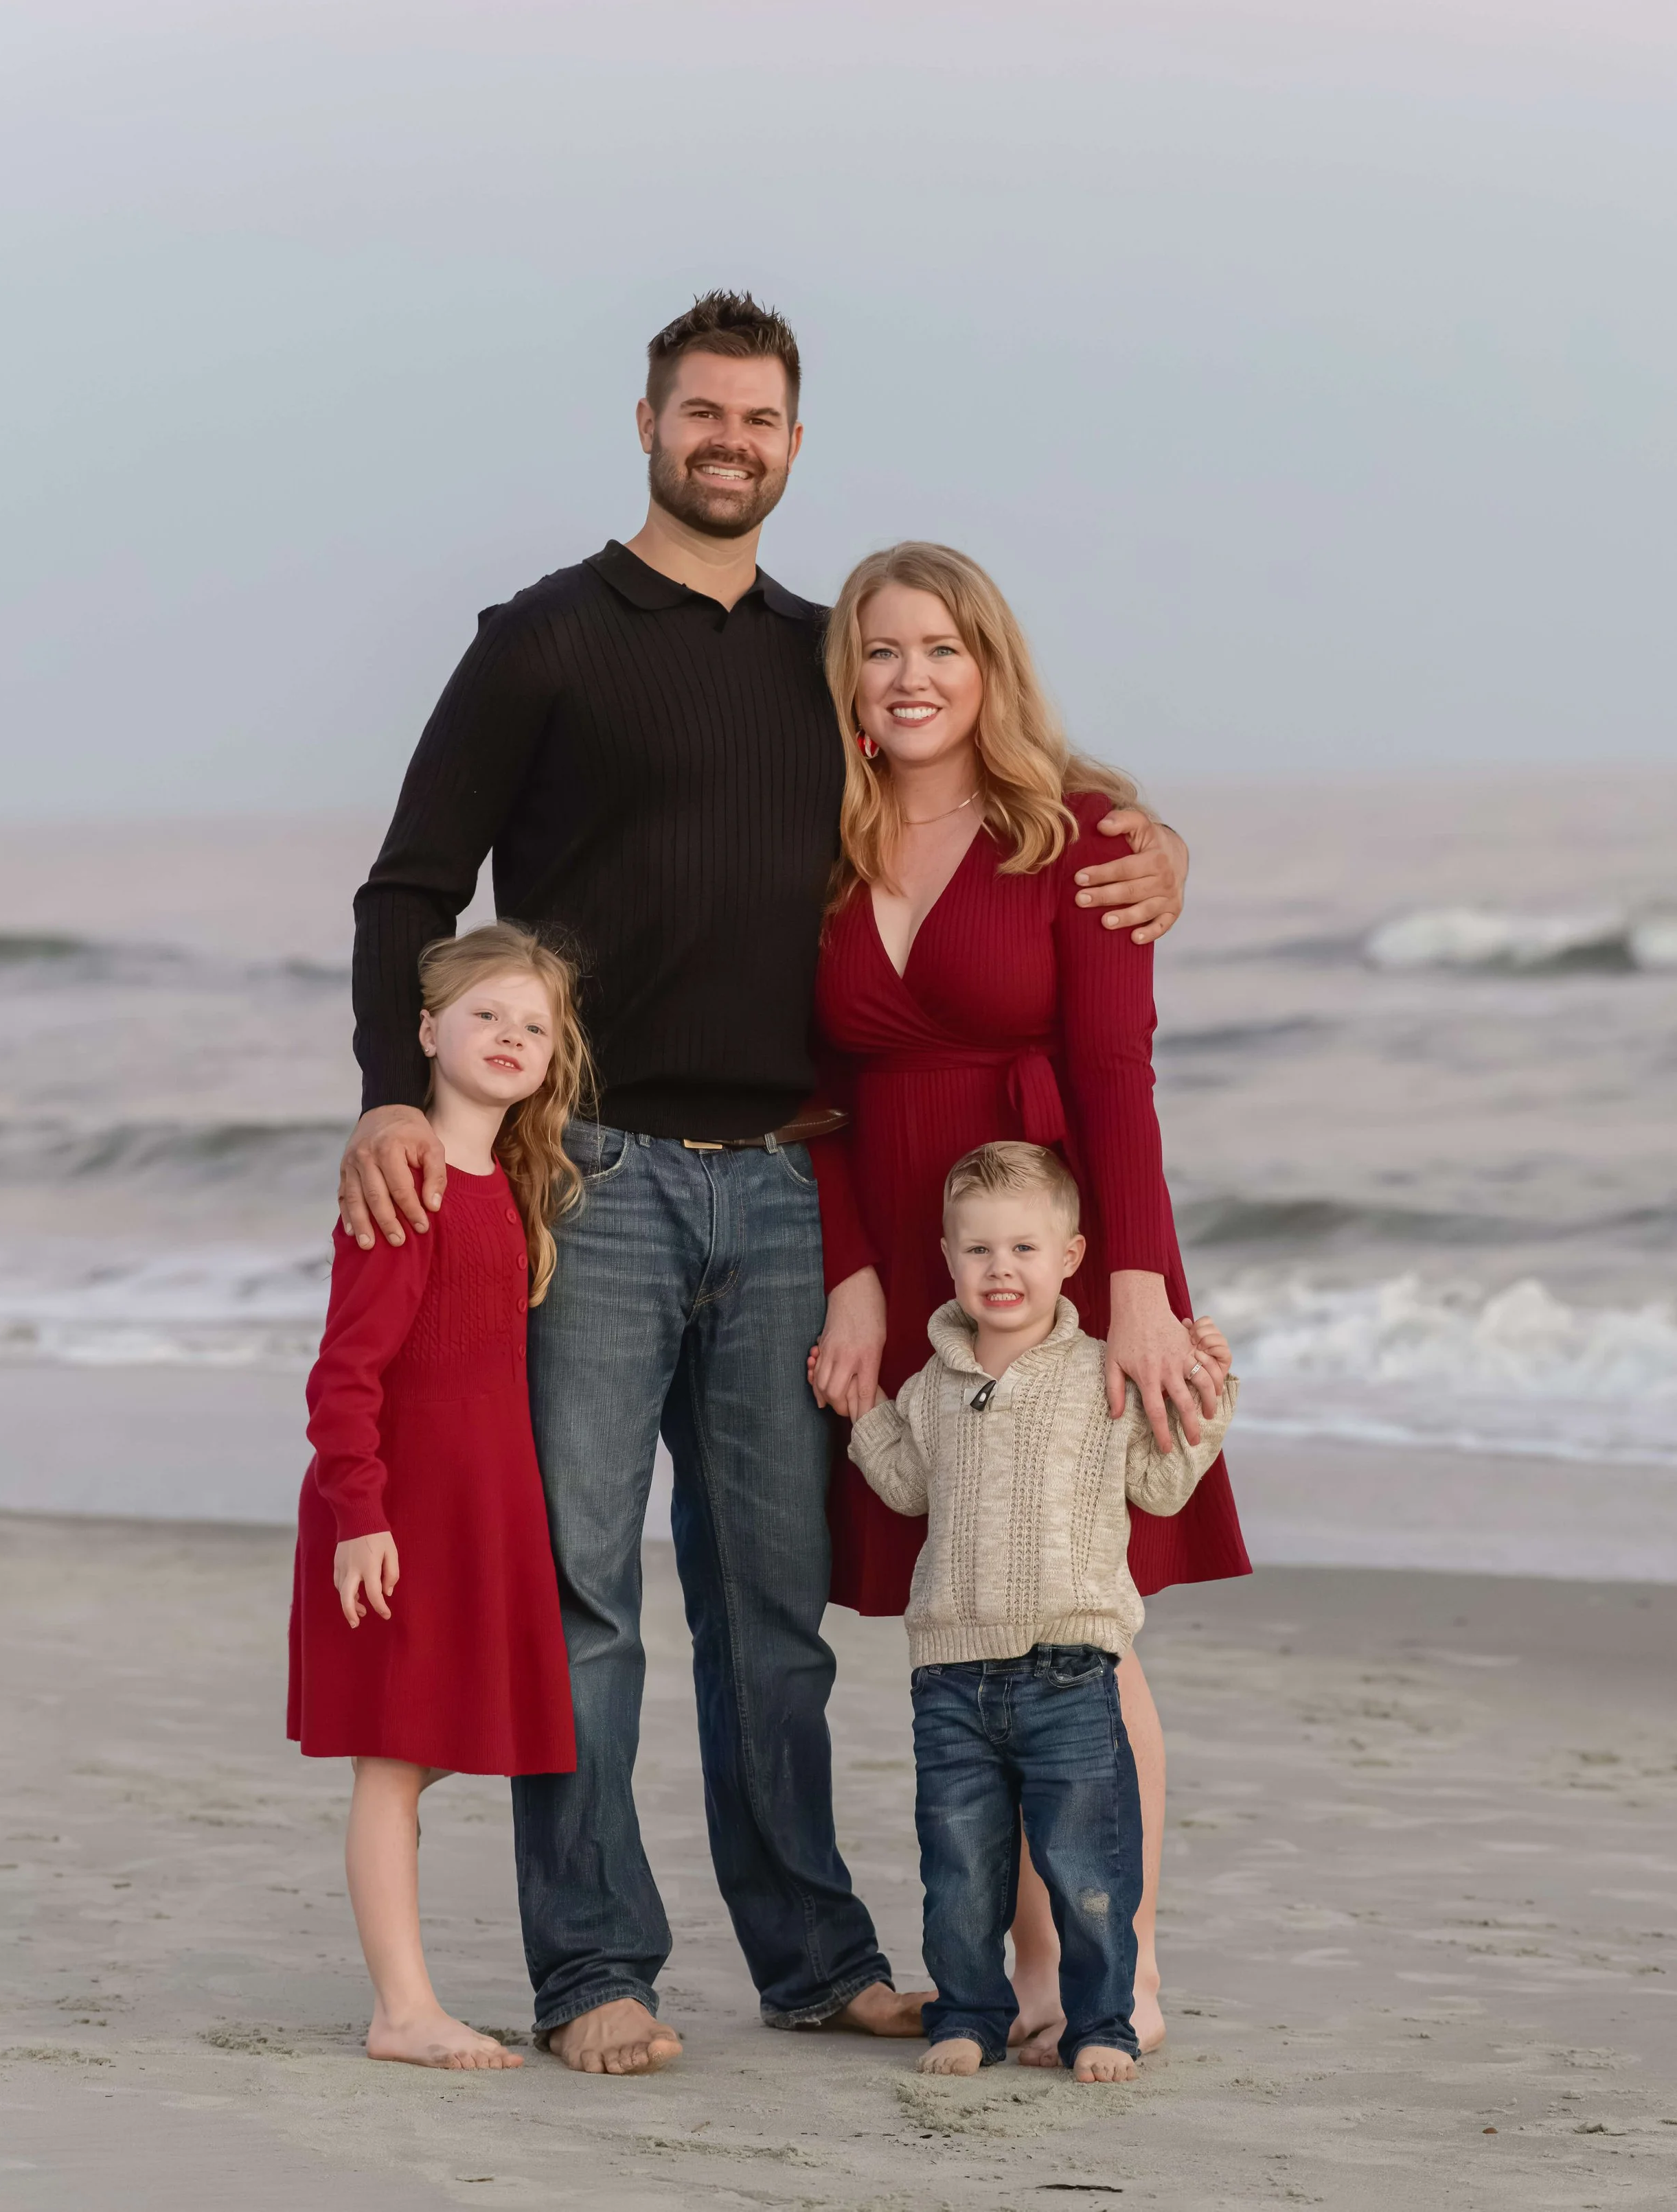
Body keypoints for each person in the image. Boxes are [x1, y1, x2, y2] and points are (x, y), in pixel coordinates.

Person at [338, 292, 1196, 2077]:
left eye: (760, 418)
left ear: (793, 444)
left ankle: (812, 1953)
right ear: (647, 422)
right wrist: (388, 1097)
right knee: (583, 1588)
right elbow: (406, 887)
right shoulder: (542, 641)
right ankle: (592, 1966)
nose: (729, 439)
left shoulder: (825, 663)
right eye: (700, 411)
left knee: (772, 1602)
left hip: (790, 1192)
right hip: (597, 1183)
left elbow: (979, 771)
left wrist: (1148, 834)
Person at [804, 538, 1250, 2061]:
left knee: (1083, 1617)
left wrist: (1131, 1288)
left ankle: (1100, 1951)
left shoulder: (1078, 836)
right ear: (848, 680)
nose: (911, 675)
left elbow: (1118, 1080)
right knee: (971, 1614)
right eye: (880, 650)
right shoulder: (824, 845)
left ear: (987, 668)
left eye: (941, 647)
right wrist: (855, 1276)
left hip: (1059, 1257)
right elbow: (813, 1094)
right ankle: (1007, 1955)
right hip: (901, 1255)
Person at [847, 1142, 1236, 2082]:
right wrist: (861, 1408)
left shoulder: (1099, 1372)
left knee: (1089, 1862)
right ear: (948, 1258)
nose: (1002, 1269)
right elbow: (904, 1488)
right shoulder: (930, 1386)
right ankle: (971, 2014)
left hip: (1072, 1669)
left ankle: (1101, 2021)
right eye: (979, 1250)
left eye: (1025, 1247)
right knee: (959, 1868)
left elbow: (1160, 1482)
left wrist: (1209, 1405)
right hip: (951, 1675)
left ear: (1072, 1255)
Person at [289, 923, 586, 2069]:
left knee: (436, 1742)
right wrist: (361, 1512)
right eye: (485, 1016)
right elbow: (344, 1368)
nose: (511, 1038)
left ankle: (406, 2000)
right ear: (426, 1030)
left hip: (483, 1509)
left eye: (534, 1025)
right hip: (400, 1513)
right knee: (393, 1756)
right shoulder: (407, 1176)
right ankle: (402, 2009)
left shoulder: (507, 1183)